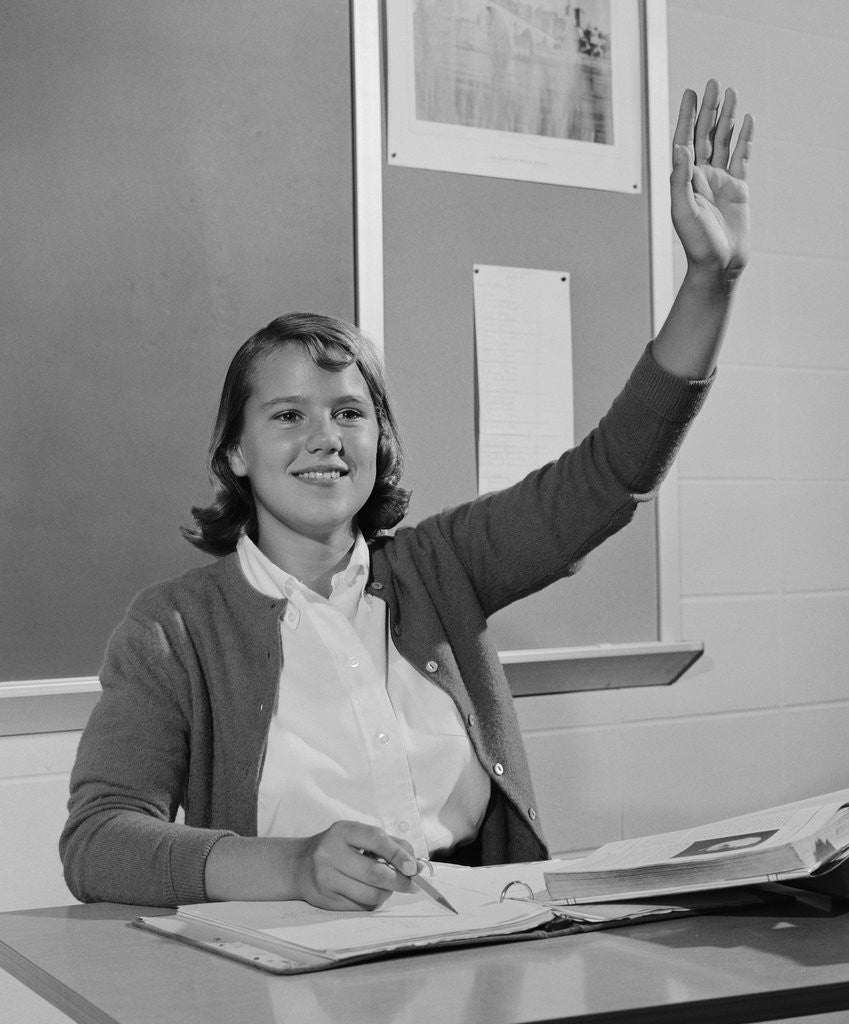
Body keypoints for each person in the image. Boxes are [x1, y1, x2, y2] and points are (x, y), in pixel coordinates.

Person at [60, 80, 754, 911]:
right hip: (291, 964)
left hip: (479, 944)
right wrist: (289, 866)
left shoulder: (441, 568)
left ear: (379, 439)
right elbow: (99, 840)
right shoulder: (172, 629)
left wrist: (710, 280)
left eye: (350, 412)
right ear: (235, 452)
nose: (325, 438)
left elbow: (610, 474)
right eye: (287, 416)